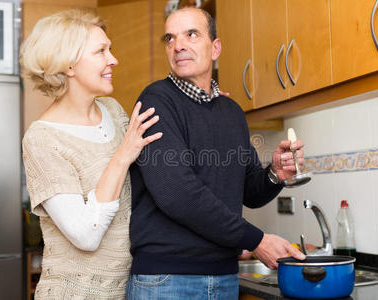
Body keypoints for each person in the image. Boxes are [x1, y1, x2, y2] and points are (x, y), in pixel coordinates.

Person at [127, 7, 306, 299]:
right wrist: (256, 239)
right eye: (170, 39)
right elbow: (177, 193)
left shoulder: (232, 112)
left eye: (191, 34)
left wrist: (275, 174)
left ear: (216, 47)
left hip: (224, 276)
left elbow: (247, 190)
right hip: (167, 280)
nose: (178, 45)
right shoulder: (156, 101)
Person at [21, 9, 162, 299]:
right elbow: (87, 234)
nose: (114, 59)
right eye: (101, 51)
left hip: (128, 288)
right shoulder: (42, 139)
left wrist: (202, 108)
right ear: (69, 65)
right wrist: (122, 156)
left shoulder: (113, 111)